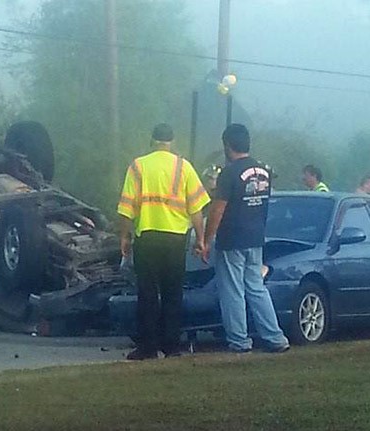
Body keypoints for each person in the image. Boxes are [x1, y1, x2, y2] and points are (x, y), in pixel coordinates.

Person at [118, 123, 210, 360]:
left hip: (147, 236)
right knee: (173, 293)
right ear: (172, 142)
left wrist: (124, 237)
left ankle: (147, 348)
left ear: (152, 140)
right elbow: (197, 209)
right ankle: (171, 346)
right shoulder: (184, 167)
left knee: (147, 293)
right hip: (176, 239)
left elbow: (126, 208)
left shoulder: (138, 166)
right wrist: (201, 239)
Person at [202, 124, 290, 354]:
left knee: (232, 290)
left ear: (227, 145)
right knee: (256, 288)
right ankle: (275, 336)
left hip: (232, 239)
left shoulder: (229, 173)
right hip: (256, 237)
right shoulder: (263, 171)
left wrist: (206, 239)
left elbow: (218, 209)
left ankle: (239, 341)